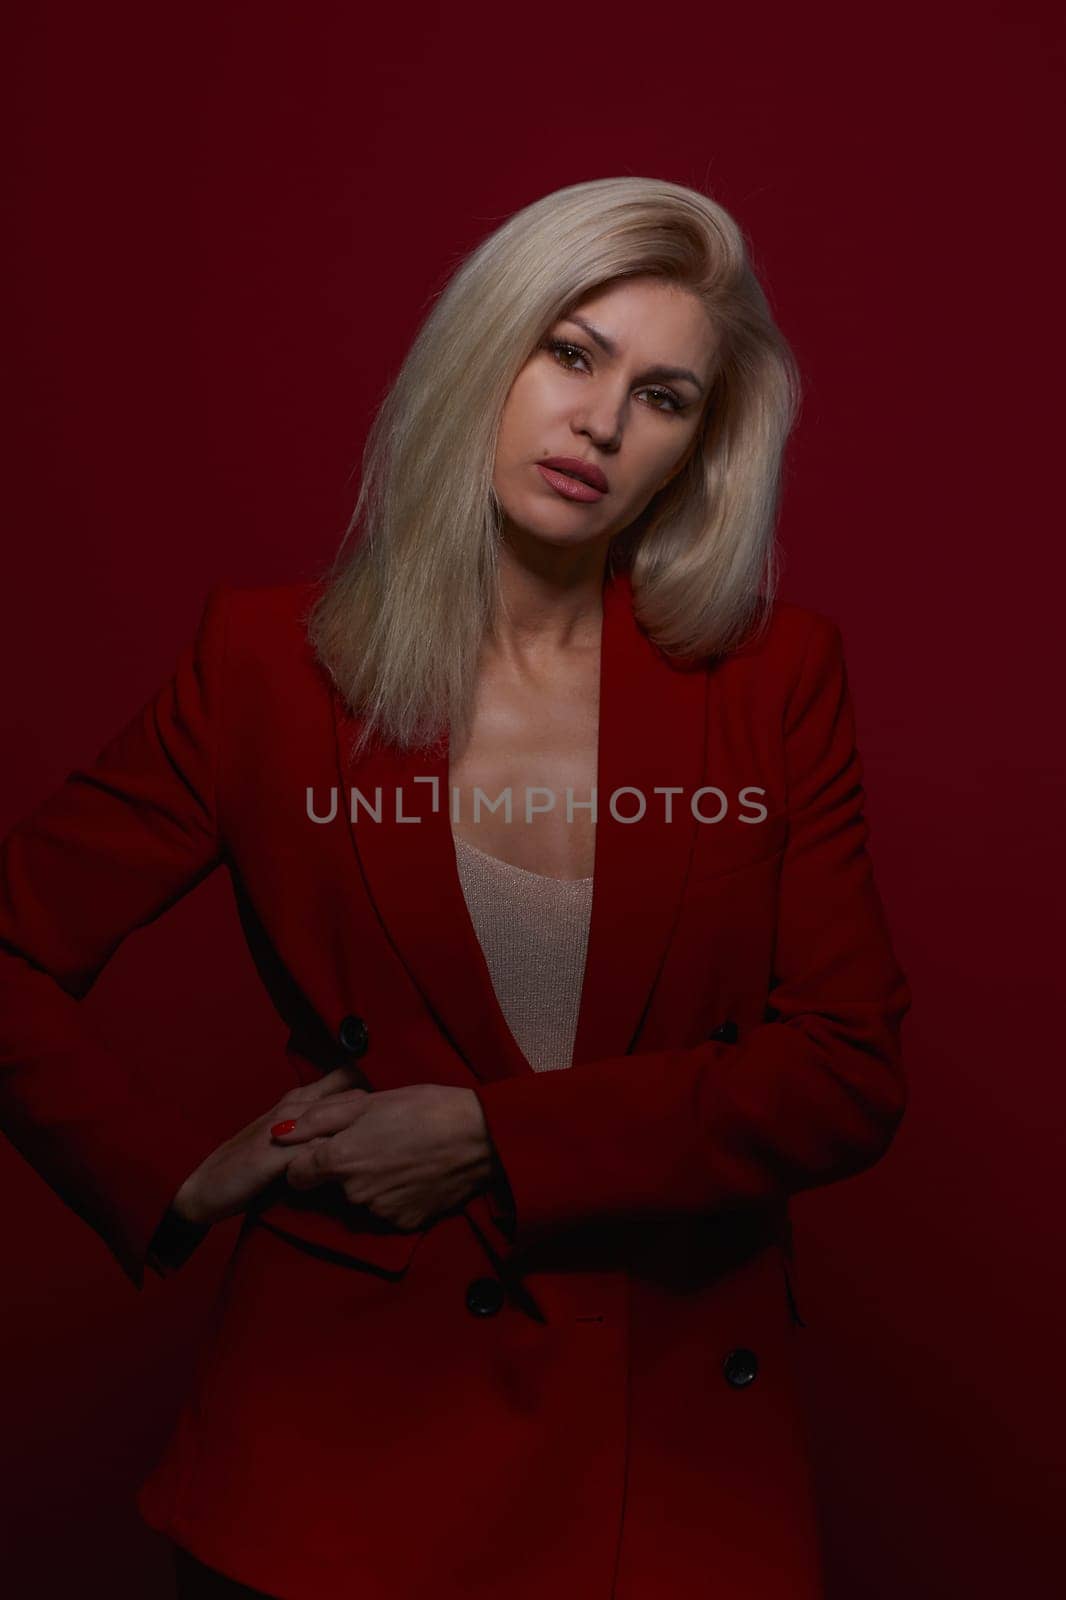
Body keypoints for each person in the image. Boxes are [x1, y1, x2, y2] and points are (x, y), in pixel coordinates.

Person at [0, 176, 911, 1599]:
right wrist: (166, 1177)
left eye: (663, 395)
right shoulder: (262, 670)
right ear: (483, 350)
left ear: (697, 450)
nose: (602, 424)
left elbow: (845, 1071)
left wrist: (494, 1133)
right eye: (569, 352)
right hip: (335, 1462)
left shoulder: (771, 682)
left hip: (667, 1461)